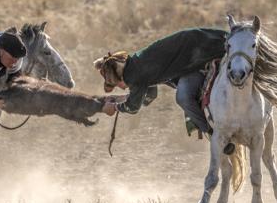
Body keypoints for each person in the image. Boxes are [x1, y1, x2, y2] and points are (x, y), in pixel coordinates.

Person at [94, 27, 228, 136]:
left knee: (183, 98)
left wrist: (116, 107)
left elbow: (133, 107)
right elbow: (151, 95)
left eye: (117, 85)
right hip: (192, 43)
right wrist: (125, 98)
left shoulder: (133, 76)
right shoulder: (133, 64)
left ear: (119, 78)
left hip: (194, 51)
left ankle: (211, 132)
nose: (122, 88)